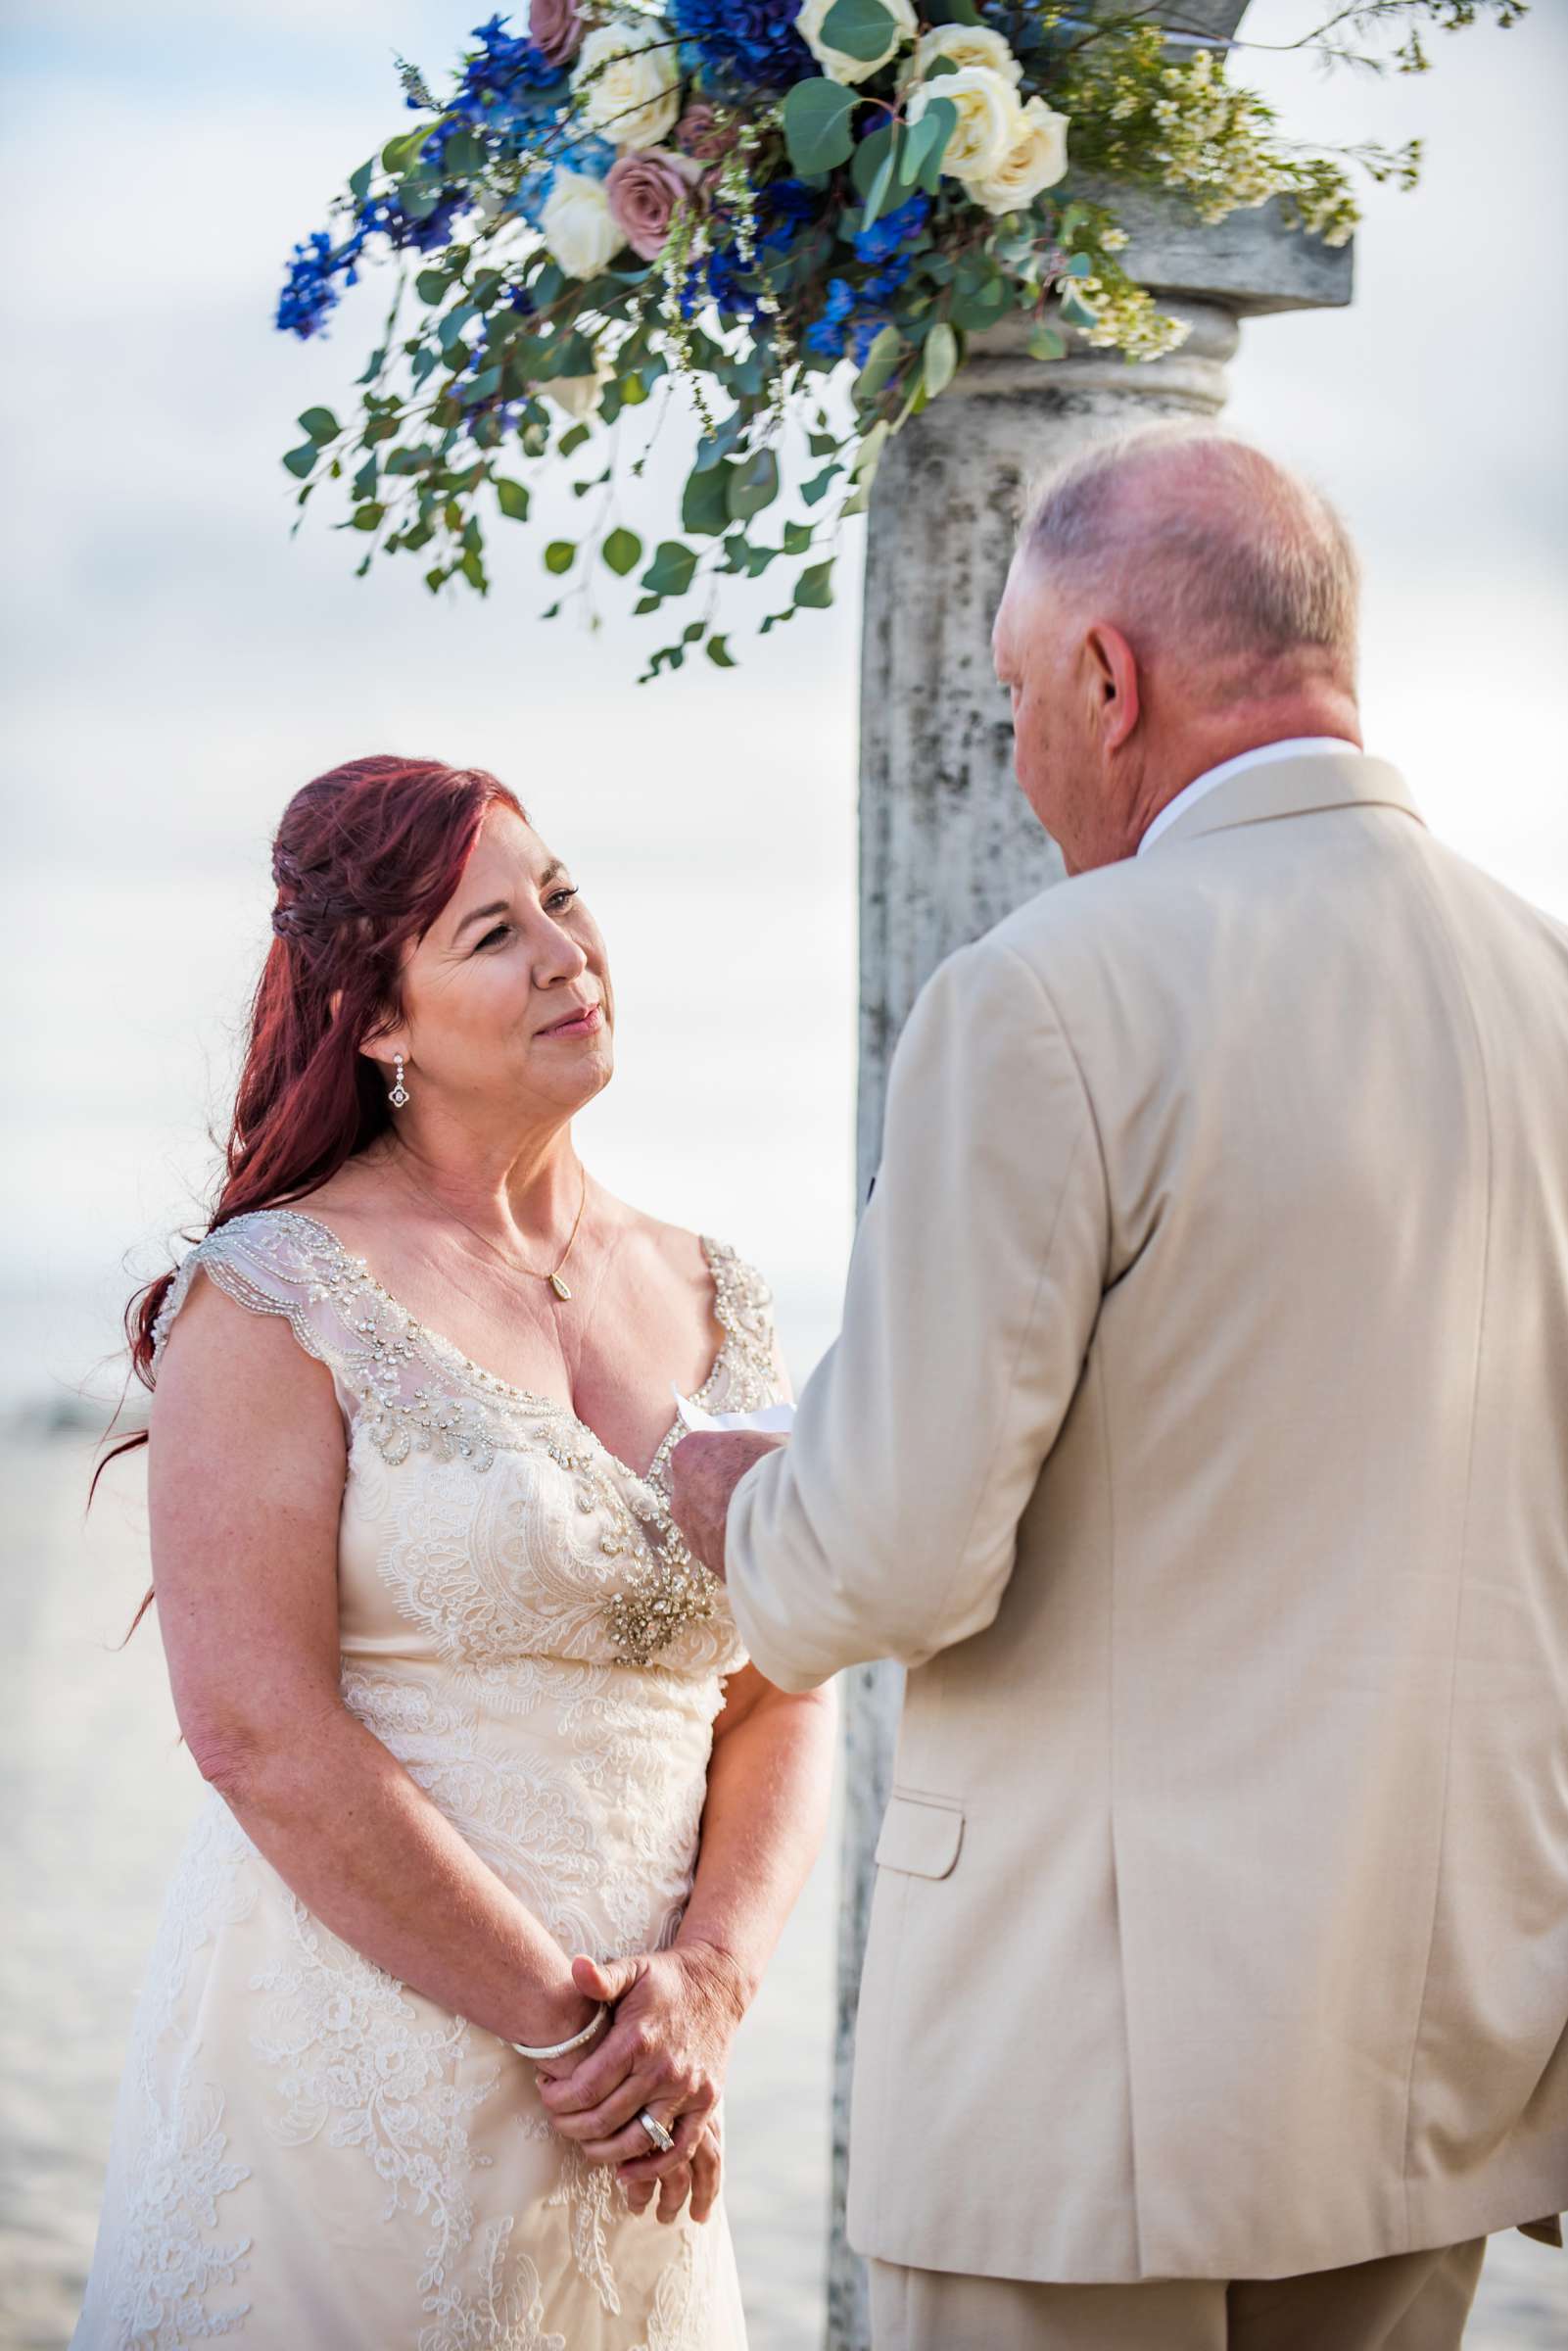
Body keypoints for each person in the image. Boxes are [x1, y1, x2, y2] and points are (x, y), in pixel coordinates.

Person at [670, 430, 1568, 2351]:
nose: (1014, 754)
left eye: (1012, 693)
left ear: (1108, 675)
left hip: (1092, 2093)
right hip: (1446, 2058)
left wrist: (740, 1502)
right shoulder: (1546, 989)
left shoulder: (1048, 994)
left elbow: (889, 1564)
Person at [74, 754, 834, 2350]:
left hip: (647, 2094)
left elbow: (783, 1690)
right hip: (360, 2059)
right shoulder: (277, 1291)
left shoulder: (722, 1288)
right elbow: (257, 1731)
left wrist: (704, 1991)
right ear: (378, 1021)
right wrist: (579, 2042)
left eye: (562, 898)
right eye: (492, 933)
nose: (566, 951)